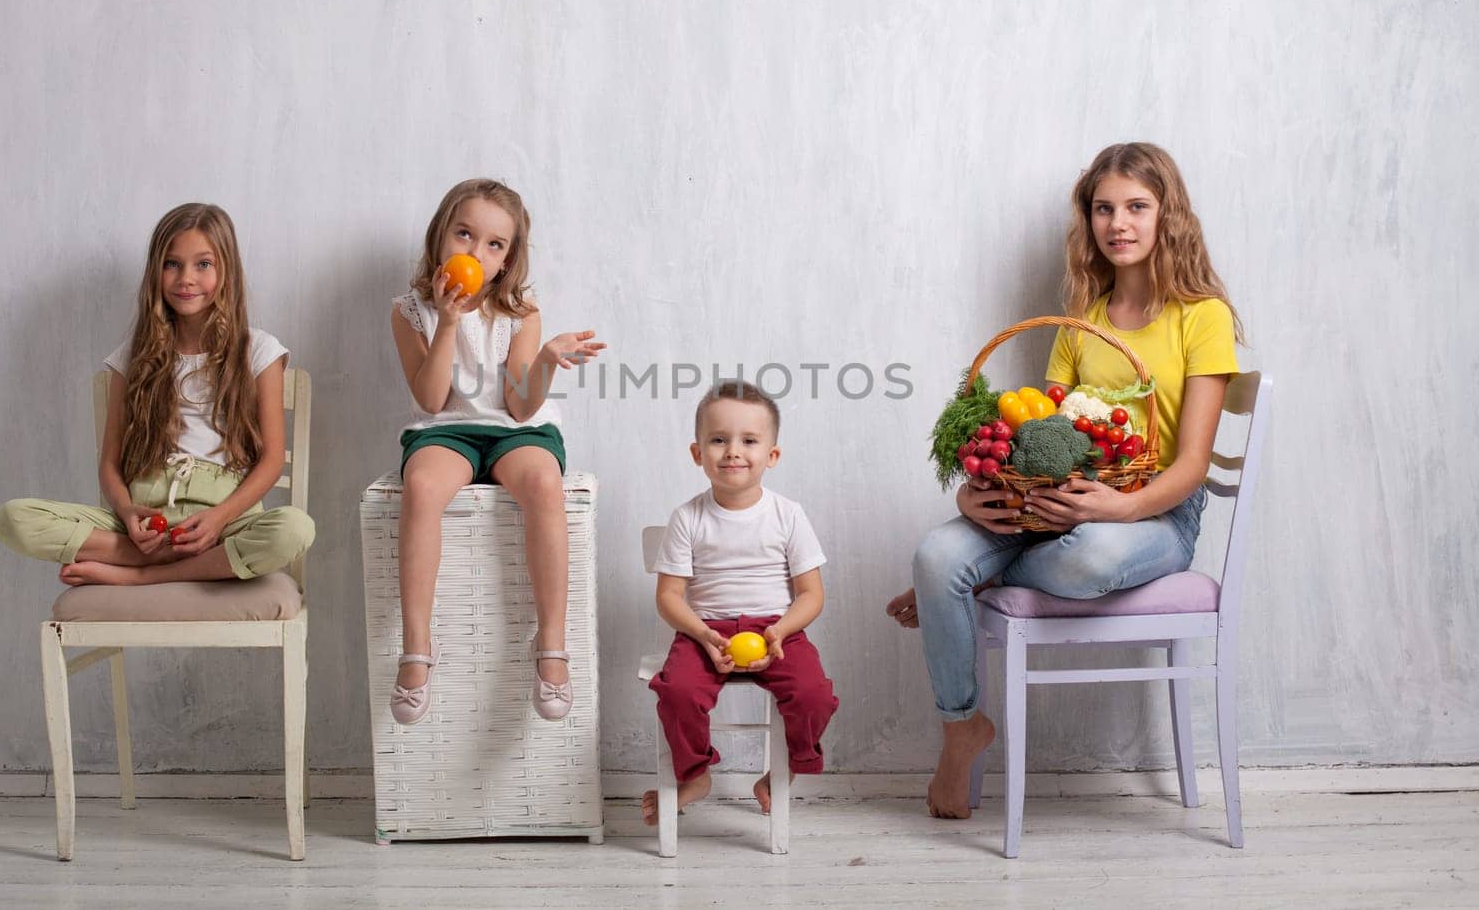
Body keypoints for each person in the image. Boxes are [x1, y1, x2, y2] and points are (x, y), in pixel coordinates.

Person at [887, 142, 1243, 820]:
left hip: (1157, 516)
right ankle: (962, 725)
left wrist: (1124, 504)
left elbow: (1192, 463)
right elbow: (1043, 439)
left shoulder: (1204, 316)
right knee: (938, 554)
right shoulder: (1084, 323)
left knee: (1087, 560)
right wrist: (972, 492)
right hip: (1058, 508)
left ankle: (978, 580)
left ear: (1168, 215)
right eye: (1104, 208)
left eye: (1137, 206)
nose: (1119, 222)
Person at [0, 203, 314, 586]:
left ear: (227, 270)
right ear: (155, 272)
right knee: (13, 518)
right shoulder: (134, 355)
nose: (186, 279)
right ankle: (162, 557)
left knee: (294, 529)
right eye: (172, 264)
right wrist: (128, 511)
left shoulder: (258, 351)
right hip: (148, 519)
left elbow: (272, 460)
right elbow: (110, 464)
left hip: (225, 519)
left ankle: (139, 576)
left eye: (203, 264)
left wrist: (219, 518)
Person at [388, 178, 605, 724]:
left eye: (493, 244)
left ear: (508, 260)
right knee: (421, 485)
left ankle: (551, 643)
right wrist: (448, 322)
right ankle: (418, 645)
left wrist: (548, 361)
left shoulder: (521, 313)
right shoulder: (409, 311)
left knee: (542, 484)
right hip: (448, 428)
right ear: (441, 237)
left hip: (515, 429)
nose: (475, 252)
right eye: (464, 234)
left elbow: (519, 405)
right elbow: (433, 397)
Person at [642, 381, 839, 825]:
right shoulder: (687, 518)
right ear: (697, 453)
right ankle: (694, 774)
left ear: (772, 455)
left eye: (749, 441)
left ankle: (784, 772)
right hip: (704, 632)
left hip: (775, 631)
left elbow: (811, 593)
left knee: (814, 695)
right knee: (676, 692)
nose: (733, 451)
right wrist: (702, 635)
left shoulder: (788, 514)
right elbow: (669, 596)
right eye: (718, 440)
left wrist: (782, 630)